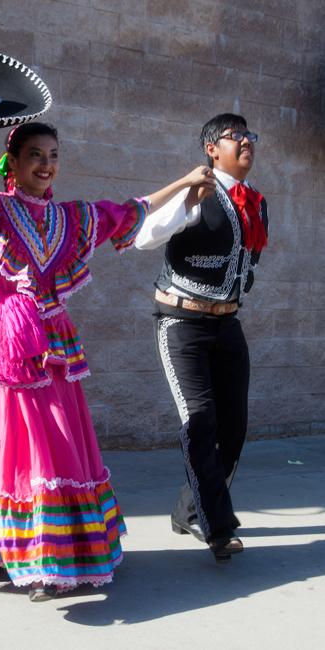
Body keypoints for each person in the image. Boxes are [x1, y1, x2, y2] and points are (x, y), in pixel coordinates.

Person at [0, 121, 214, 599]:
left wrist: (185, 182)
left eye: (53, 155)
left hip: (47, 343)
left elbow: (130, 211)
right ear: (11, 162)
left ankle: (45, 553)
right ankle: (1, 549)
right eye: (35, 155)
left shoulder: (72, 218)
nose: (46, 165)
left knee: (44, 442)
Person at [135, 113, 268, 563]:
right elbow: (143, 238)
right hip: (182, 322)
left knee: (234, 427)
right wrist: (186, 196)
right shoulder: (198, 192)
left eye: (250, 136)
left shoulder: (255, 202)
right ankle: (216, 526)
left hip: (227, 322)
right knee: (200, 419)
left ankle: (188, 511)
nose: (247, 142)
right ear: (212, 148)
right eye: (237, 137)